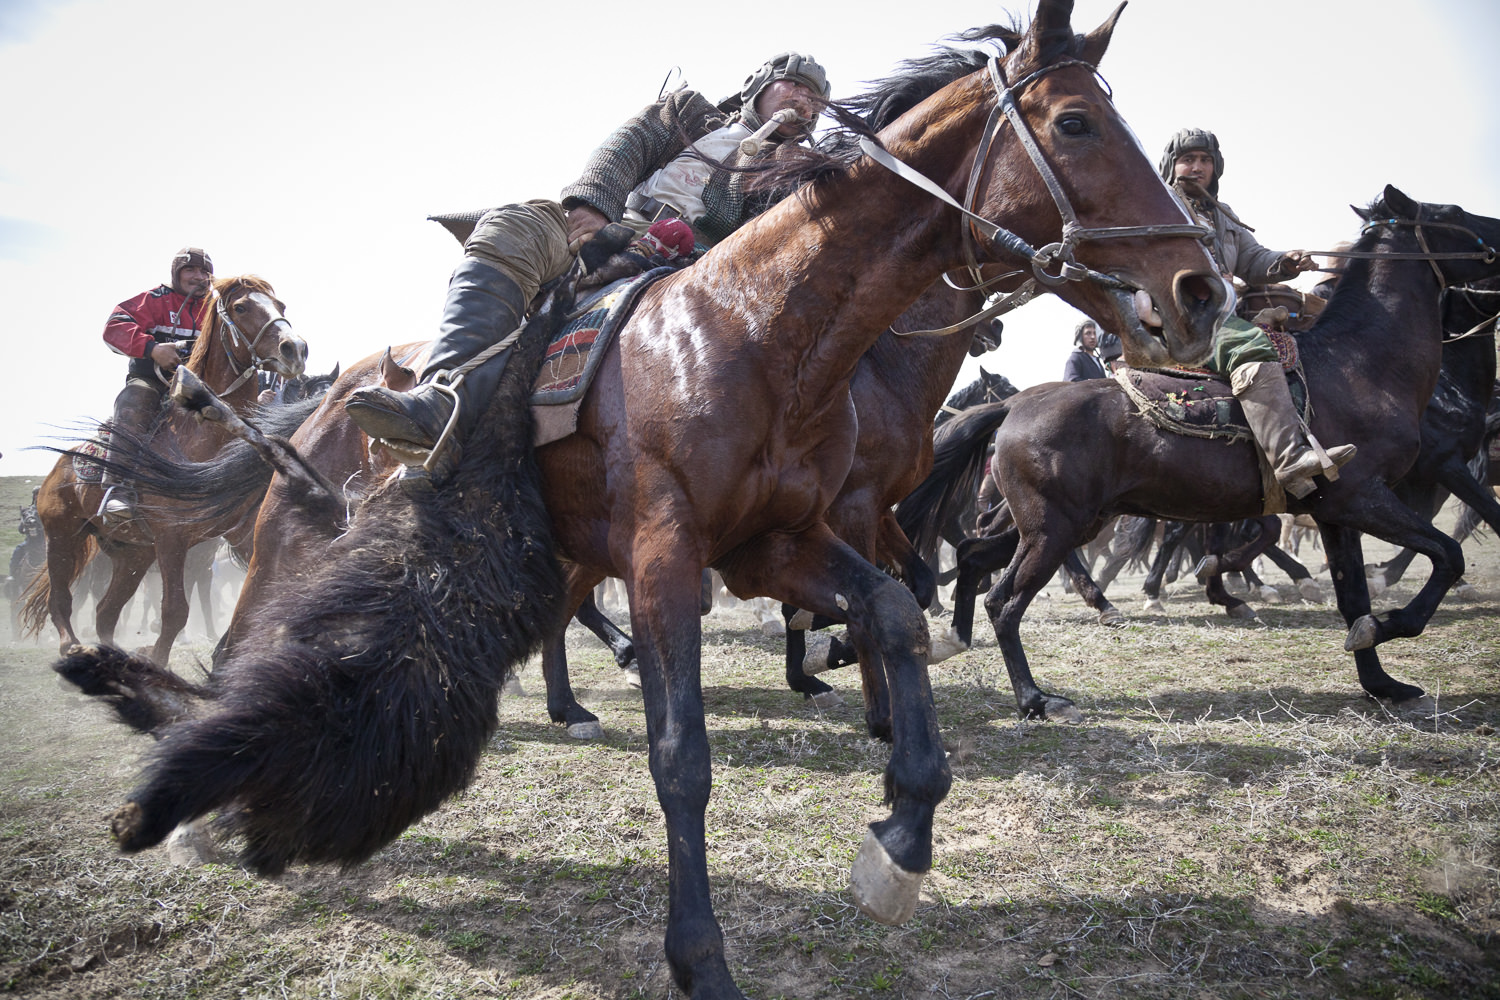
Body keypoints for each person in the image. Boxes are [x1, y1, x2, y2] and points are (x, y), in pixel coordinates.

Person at [347, 52, 832, 485]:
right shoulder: (687, 114)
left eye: (815, 99)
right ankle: (439, 401)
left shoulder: (802, 176)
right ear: (759, 86)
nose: (803, 101)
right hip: (609, 233)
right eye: (794, 86)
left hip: (694, 277)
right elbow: (625, 147)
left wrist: (695, 251)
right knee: (517, 223)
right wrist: (595, 207)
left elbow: (771, 251)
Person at [1158, 128, 1354, 499]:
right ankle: (1289, 460)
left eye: (1205, 160)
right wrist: (1211, 278)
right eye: (1188, 159)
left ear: (1216, 168)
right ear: (1172, 165)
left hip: (1219, 313)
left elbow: (1254, 259)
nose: (1197, 167)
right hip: (1181, 317)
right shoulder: (1157, 204)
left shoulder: (1224, 215)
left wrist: (1285, 263)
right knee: (1252, 346)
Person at [98, 247, 214, 523]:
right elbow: (114, 327)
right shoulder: (154, 300)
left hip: (202, 388)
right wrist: (151, 348)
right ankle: (118, 488)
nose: (198, 276)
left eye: (204, 271)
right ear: (176, 273)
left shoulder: (216, 308)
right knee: (134, 402)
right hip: (153, 381)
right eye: (190, 270)